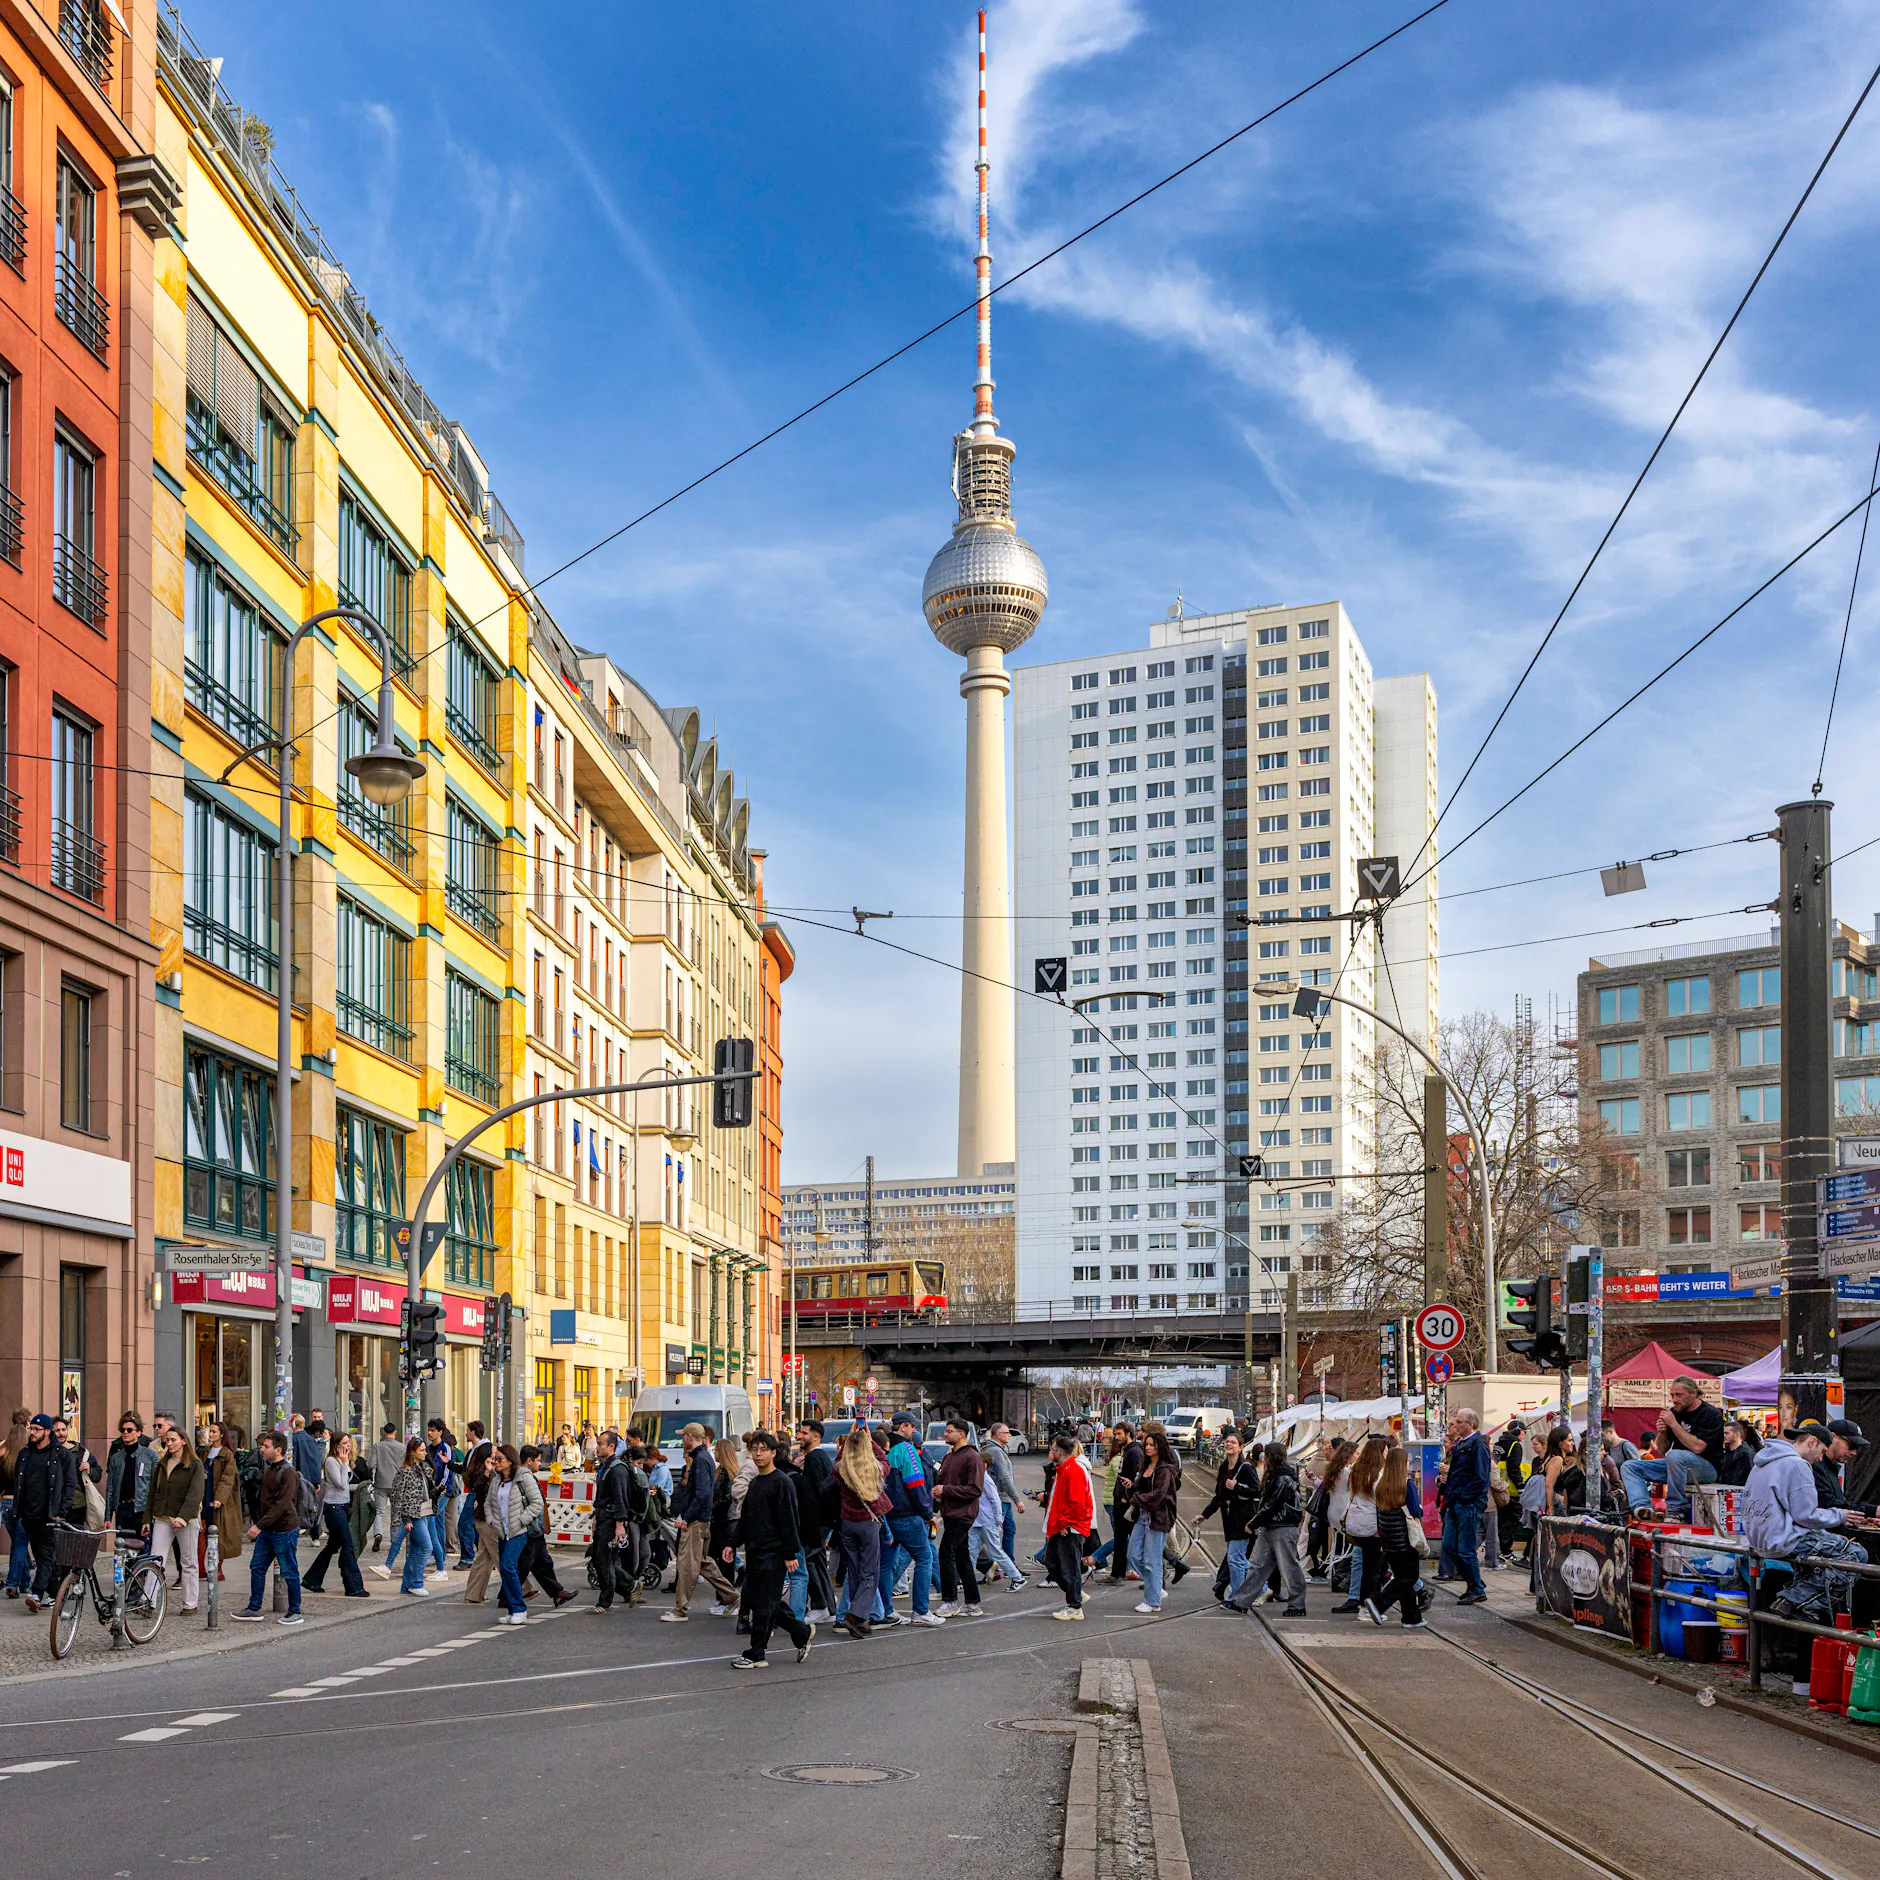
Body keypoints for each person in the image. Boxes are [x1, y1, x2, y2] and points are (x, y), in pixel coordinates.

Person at [1742, 1420, 1873, 1629]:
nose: (1821, 1457)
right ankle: (1795, 1601)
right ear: (1812, 1442)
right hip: (1784, 1539)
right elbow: (1806, 1515)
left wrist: (1825, 1534)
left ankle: (1791, 1601)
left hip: (1761, 1538)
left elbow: (1795, 1513)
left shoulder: (1764, 1462)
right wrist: (1840, 1515)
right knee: (1857, 1554)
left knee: (1828, 1555)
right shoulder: (1797, 1464)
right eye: (1822, 1450)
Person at [726, 1430, 814, 1668]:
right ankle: (801, 1632)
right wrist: (732, 1544)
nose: (758, 1454)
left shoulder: (782, 1483)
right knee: (762, 1601)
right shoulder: (755, 1483)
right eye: (754, 1450)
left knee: (764, 1605)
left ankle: (756, 1654)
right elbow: (746, 1519)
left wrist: (789, 1554)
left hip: (774, 1554)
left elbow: (788, 1519)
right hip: (755, 1552)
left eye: (763, 1449)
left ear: (774, 1453)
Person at [1620, 1377, 1724, 1519]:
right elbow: (1661, 1449)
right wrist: (1662, 1432)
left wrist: (1674, 1425)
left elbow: (1698, 1447)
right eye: (1672, 1395)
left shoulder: (1710, 1414)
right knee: (1629, 1466)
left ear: (1693, 1393)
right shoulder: (1674, 1412)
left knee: (1675, 1455)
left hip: (1707, 1468)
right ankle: (1642, 1507)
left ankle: (1676, 1509)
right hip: (1676, 1467)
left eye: (1679, 1395)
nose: (1674, 1399)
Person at [663, 1422, 735, 1620]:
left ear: (689, 1437)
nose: (682, 1439)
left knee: (687, 1566)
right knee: (704, 1563)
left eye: (683, 1436)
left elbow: (702, 1494)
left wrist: (686, 1518)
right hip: (701, 1520)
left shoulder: (700, 1460)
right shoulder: (703, 1458)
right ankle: (733, 1596)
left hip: (696, 1521)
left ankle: (680, 1610)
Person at [232, 1430, 303, 1626]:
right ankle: (254, 1608)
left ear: (278, 1449)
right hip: (269, 1529)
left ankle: (295, 1611)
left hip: (284, 1529)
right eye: (262, 1446)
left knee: (289, 1570)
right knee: (257, 1566)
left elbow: (281, 1505)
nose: (262, 1449)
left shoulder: (288, 1472)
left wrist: (258, 1525)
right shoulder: (270, 1468)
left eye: (266, 1447)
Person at [1229, 1441, 1308, 1618]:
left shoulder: (1282, 1477)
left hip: (1282, 1526)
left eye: (1267, 1454)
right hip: (1272, 1525)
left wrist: (1252, 1523)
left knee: (1287, 1566)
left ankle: (1297, 1604)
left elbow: (1271, 1505)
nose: (1264, 1458)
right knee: (1258, 1565)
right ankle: (1241, 1600)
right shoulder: (1278, 1475)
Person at [881, 1413, 942, 1625]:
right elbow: (915, 1484)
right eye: (912, 1427)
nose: (914, 1431)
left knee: (886, 1565)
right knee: (925, 1558)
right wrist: (928, 1514)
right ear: (904, 1427)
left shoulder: (887, 1449)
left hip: (887, 1516)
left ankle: (885, 1610)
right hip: (907, 1514)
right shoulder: (907, 1449)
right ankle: (921, 1611)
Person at [832, 1423, 892, 1637]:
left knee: (855, 1571)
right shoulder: (876, 1469)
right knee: (870, 1573)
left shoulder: (841, 1470)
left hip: (847, 1524)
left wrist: (850, 1439)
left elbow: (838, 1460)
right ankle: (854, 1615)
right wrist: (869, 1439)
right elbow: (885, 1460)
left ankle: (861, 1621)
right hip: (867, 1523)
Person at [12, 1414, 74, 1611]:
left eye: (36, 1430)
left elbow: (70, 1484)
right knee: (39, 1556)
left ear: (47, 1432)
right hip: (29, 1515)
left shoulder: (61, 1454)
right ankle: (56, 1594)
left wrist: (61, 1512)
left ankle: (36, 1592)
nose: (32, 1433)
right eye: (31, 1430)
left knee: (46, 1554)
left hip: (50, 1515)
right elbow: (18, 1483)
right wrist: (18, 1510)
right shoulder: (24, 1454)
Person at [143, 1424, 206, 1614]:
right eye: (167, 1440)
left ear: (183, 1442)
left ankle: (190, 1603)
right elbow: (152, 1493)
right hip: (162, 1516)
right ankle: (148, 1602)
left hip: (185, 1519)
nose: (169, 1443)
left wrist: (183, 1517)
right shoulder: (162, 1463)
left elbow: (195, 1494)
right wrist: (147, 1518)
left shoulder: (195, 1465)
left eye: (173, 1440)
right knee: (155, 1560)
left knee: (188, 1562)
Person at [303, 1432, 369, 1598]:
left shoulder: (341, 1461)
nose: (348, 1446)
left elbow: (346, 1487)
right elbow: (340, 1484)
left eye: (349, 1442)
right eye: (345, 1443)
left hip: (343, 1507)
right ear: (336, 1445)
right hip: (334, 1509)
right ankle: (353, 1586)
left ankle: (312, 1580)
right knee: (348, 1546)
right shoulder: (332, 1461)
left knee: (333, 1546)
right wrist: (344, 1464)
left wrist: (362, 1487)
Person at [483, 1444, 544, 1625]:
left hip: (518, 1531)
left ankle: (519, 1608)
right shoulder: (496, 1481)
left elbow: (537, 1502)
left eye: (499, 1459)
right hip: (502, 1531)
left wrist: (522, 1520)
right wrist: (492, 1520)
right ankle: (511, 1609)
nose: (496, 1462)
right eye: (495, 1459)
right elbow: (488, 1504)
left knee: (508, 1566)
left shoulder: (523, 1477)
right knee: (507, 1569)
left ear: (510, 1460)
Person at [1370, 1444, 1428, 1629]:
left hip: (1389, 1541)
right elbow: (1414, 1511)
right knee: (1407, 1578)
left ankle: (1412, 1618)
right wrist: (1420, 1509)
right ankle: (1378, 1604)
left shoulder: (1381, 1486)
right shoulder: (1407, 1484)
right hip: (1406, 1540)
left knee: (1404, 1579)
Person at [934, 1417, 987, 1617]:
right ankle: (972, 1603)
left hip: (962, 1514)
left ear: (961, 1433)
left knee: (946, 1554)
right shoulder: (950, 1456)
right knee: (962, 1557)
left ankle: (950, 1601)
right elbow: (943, 1477)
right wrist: (939, 1488)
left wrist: (945, 1489)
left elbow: (975, 1489)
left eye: (949, 1431)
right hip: (950, 1512)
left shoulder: (972, 1457)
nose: (945, 1435)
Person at [1440, 1408, 1492, 1606]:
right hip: (1456, 1502)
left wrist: (1464, 1497)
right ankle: (1475, 1582)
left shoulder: (1477, 1445)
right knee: (1449, 1546)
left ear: (1470, 1424)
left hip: (1466, 1503)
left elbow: (1480, 1477)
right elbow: (1460, 1473)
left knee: (1465, 1548)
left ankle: (1476, 1588)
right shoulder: (1462, 1444)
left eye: (1459, 1422)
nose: (1455, 1425)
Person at [1199, 1432, 1258, 1604]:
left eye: (1233, 1442)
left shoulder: (1246, 1468)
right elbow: (1218, 1496)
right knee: (1238, 1559)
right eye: (1227, 1442)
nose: (1229, 1444)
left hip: (1243, 1518)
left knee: (1235, 1559)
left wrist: (1237, 1486)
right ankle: (1261, 1589)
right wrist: (1204, 1515)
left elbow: (1256, 1491)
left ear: (1240, 1447)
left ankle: (1237, 1598)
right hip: (1230, 1518)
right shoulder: (1224, 1468)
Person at [512, 1446, 575, 1607]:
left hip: (534, 1528)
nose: (539, 1464)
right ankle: (507, 1595)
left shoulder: (526, 1475)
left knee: (542, 1563)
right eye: (538, 1460)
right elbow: (532, 1502)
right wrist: (526, 1521)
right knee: (526, 1564)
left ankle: (557, 1593)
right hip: (530, 1527)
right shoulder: (525, 1477)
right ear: (529, 1461)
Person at [1334, 1435, 1389, 1615]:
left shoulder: (1356, 1472)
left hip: (1357, 1523)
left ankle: (1362, 1602)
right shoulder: (1377, 1475)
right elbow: (1381, 1499)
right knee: (1374, 1569)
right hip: (1373, 1526)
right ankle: (1368, 1606)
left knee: (1366, 1565)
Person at [1127, 1429, 1180, 1613]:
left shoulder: (1165, 1470)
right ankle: (1156, 1588)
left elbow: (1158, 1496)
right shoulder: (1146, 1466)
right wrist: (1132, 1487)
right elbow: (1142, 1489)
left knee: (1152, 1560)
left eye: (1152, 1445)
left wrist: (1136, 1498)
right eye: (1146, 1444)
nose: (1148, 1448)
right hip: (1143, 1517)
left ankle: (1152, 1600)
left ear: (1160, 1447)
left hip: (1158, 1518)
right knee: (1133, 1555)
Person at [1043, 1433, 1094, 1619]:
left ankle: (1074, 1606)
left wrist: (1064, 1522)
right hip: (1061, 1525)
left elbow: (1076, 1503)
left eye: (1053, 1449)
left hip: (1070, 1527)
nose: (1050, 1452)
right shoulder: (1064, 1469)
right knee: (1053, 1563)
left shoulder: (1073, 1471)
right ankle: (1076, 1595)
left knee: (1068, 1567)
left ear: (1059, 1452)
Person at [969, 1447, 1027, 1594]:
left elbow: (995, 1501)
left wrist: (998, 1519)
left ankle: (1017, 1578)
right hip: (977, 1522)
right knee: (971, 1552)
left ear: (984, 1465)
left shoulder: (986, 1481)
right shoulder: (979, 1478)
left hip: (987, 1522)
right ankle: (965, 1580)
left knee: (996, 1552)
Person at [794, 1421, 836, 1620]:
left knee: (808, 1561)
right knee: (817, 1562)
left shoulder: (814, 1459)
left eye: (804, 1433)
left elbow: (812, 1494)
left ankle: (820, 1605)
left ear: (816, 1437)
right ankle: (827, 1606)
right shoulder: (818, 1458)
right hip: (821, 1520)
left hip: (815, 1522)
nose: (800, 1436)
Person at [386, 1437, 433, 1597]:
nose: (425, 1452)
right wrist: (405, 1519)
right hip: (412, 1515)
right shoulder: (404, 1471)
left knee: (414, 1550)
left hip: (422, 1512)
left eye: (425, 1449)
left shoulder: (422, 1468)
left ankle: (407, 1584)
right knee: (427, 1547)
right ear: (413, 1453)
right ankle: (416, 1583)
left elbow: (426, 1489)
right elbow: (398, 1496)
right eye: (421, 1450)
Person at [200, 1419, 243, 1583]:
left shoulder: (227, 1454)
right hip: (205, 1495)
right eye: (209, 1431)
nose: (210, 1434)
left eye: (214, 1432)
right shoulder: (205, 1452)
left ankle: (217, 1569)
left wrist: (219, 1499)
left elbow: (227, 1479)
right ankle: (202, 1569)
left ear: (221, 1435)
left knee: (218, 1534)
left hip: (218, 1499)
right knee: (202, 1532)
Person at [105, 1411, 156, 1546]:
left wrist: (152, 1514)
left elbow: (157, 1486)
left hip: (142, 1509)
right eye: (123, 1430)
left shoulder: (150, 1456)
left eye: (129, 1430)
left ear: (139, 1432)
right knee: (123, 1549)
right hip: (122, 1509)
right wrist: (108, 1516)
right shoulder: (116, 1458)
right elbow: (110, 1487)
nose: (125, 1433)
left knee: (143, 1549)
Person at [1305, 1438, 1353, 1579]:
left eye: (1329, 1448)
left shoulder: (1334, 1469)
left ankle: (1334, 1574)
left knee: (1337, 1544)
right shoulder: (1344, 1471)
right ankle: (1339, 1576)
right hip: (1340, 1511)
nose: (1326, 1451)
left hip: (1332, 1511)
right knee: (1343, 1546)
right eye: (1355, 1453)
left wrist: (1315, 1481)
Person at [1814, 1419, 1877, 1517]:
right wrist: (1871, 1511)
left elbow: (1837, 1504)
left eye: (1857, 1448)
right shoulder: (1815, 1465)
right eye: (1851, 1446)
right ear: (1832, 1437)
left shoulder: (1829, 1467)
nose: (1854, 1452)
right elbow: (1827, 1503)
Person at [1109, 1424, 1145, 1583]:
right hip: (1121, 1501)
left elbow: (1137, 1477)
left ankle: (1172, 1563)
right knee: (1121, 1538)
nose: (1116, 1438)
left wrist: (1126, 1497)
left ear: (1128, 1433)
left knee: (1135, 1537)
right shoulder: (1128, 1450)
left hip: (1126, 1503)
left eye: (1119, 1434)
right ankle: (1117, 1573)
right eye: (1115, 1435)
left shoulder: (1134, 1451)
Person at [982, 1424, 1021, 1569]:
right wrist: (1017, 1500)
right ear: (998, 1435)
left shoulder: (998, 1449)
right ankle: (993, 1565)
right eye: (1006, 1433)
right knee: (992, 1534)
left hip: (1004, 1498)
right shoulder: (995, 1451)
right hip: (999, 1498)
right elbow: (1004, 1477)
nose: (1009, 1435)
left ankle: (1009, 1564)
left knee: (1009, 1530)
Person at [458, 1421, 491, 1568]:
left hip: (478, 1492)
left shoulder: (484, 1449)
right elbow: (466, 1469)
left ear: (473, 1432)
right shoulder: (475, 1449)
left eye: (467, 1430)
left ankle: (467, 1558)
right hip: (475, 1490)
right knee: (477, 1526)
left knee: (464, 1524)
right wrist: (450, 1464)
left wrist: (477, 1492)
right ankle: (486, 1557)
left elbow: (479, 1472)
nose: (465, 1433)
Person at [368, 1424, 403, 1553]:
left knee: (379, 1511)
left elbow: (371, 1464)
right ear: (395, 1432)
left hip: (381, 1482)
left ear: (384, 1432)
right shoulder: (402, 1447)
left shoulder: (378, 1446)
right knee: (396, 1512)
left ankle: (378, 1534)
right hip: (397, 1484)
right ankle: (394, 1541)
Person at [1715, 1417, 1763, 1488]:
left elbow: (1752, 1478)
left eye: (1727, 1433)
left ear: (1737, 1435)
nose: (1724, 1436)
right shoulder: (1725, 1452)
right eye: (1723, 1433)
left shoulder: (1747, 1454)